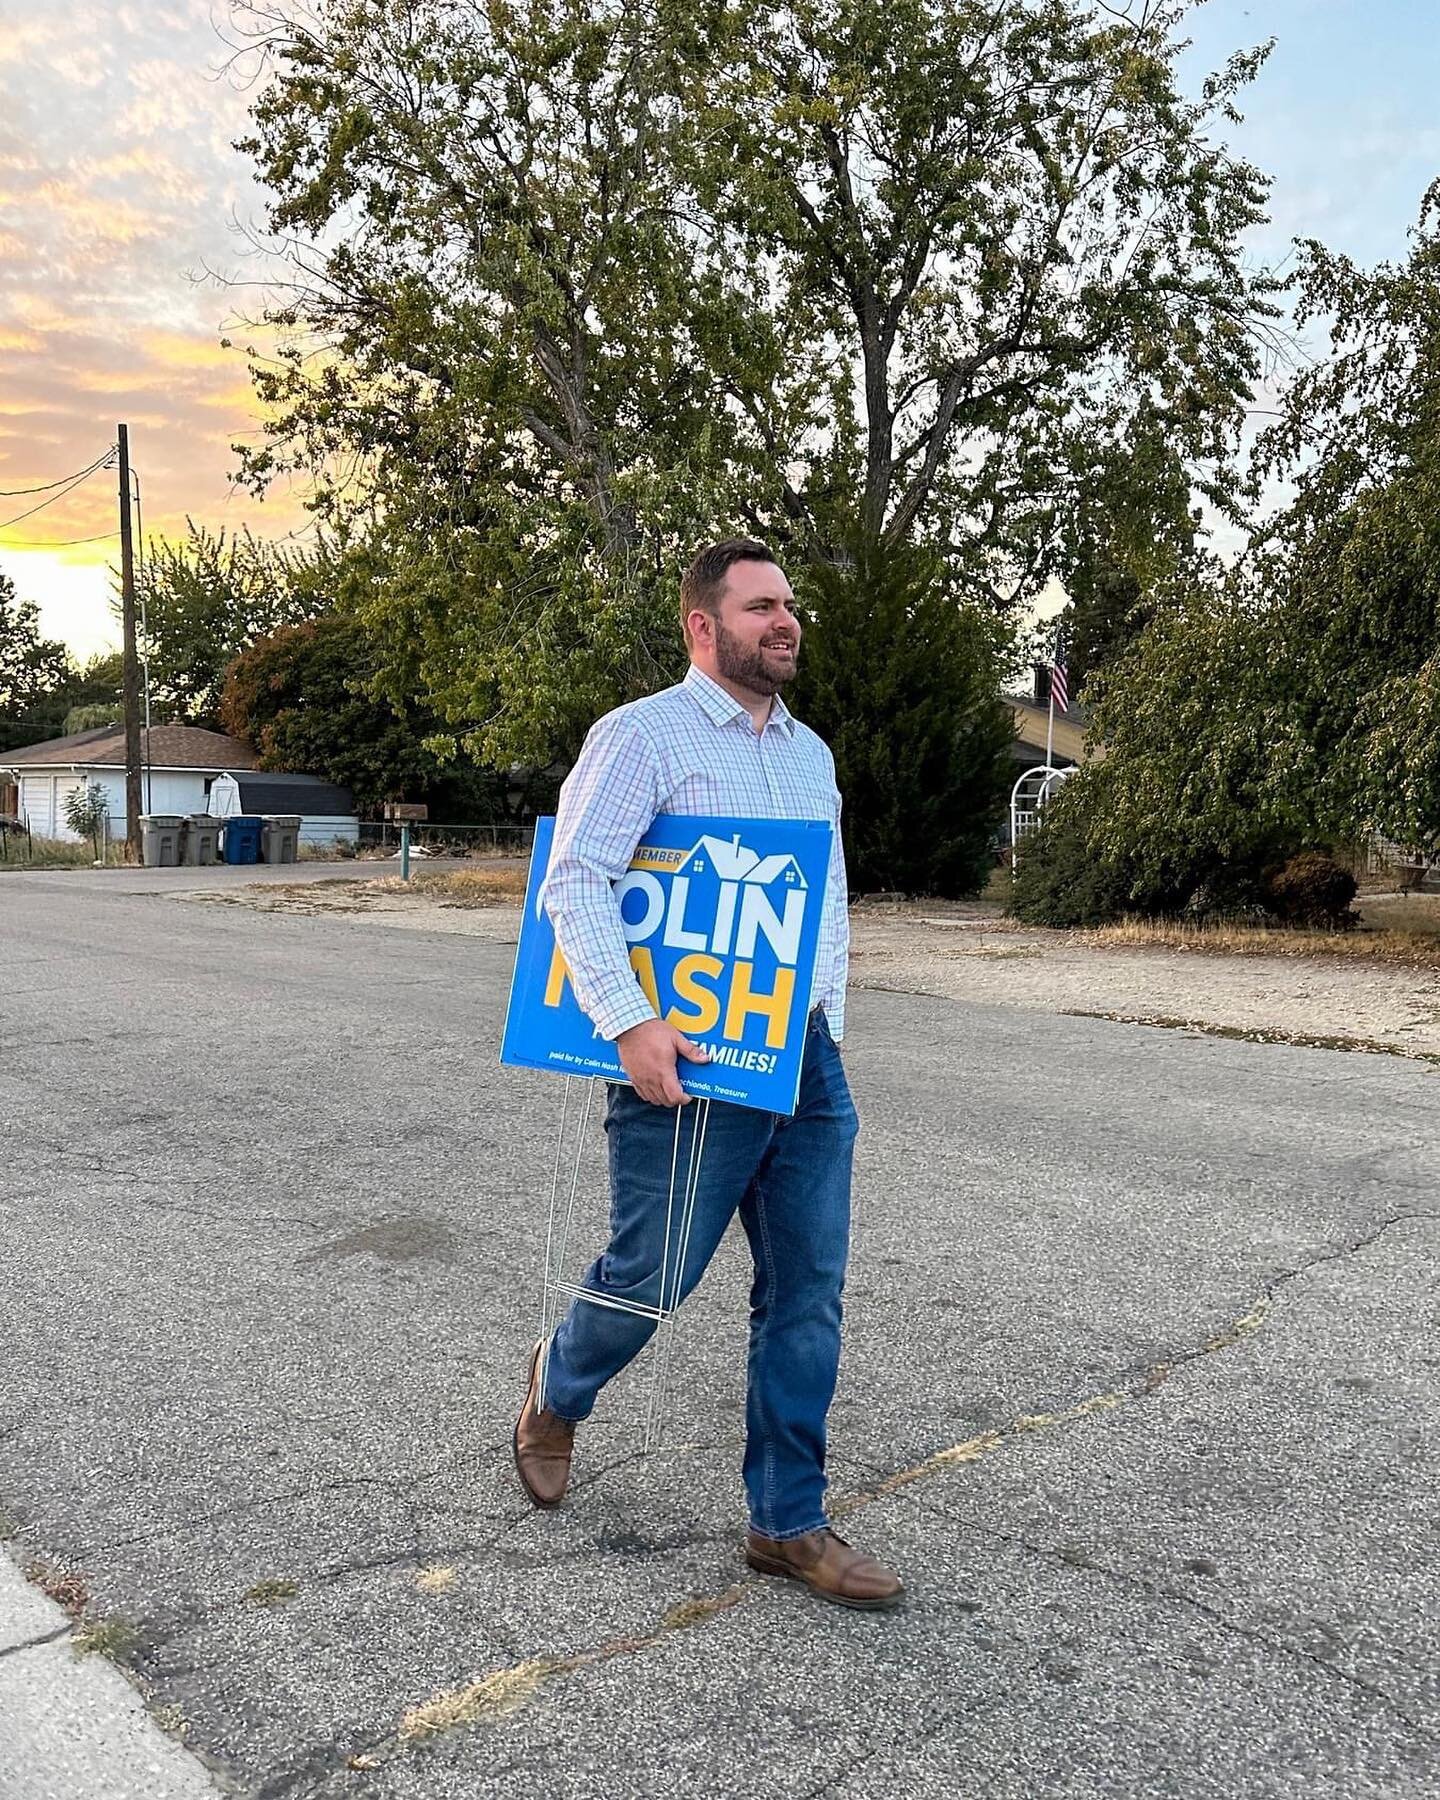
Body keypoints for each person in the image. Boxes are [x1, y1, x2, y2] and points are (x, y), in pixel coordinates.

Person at [513, 538, 902, 1610]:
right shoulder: (639, 737)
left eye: (789, 607)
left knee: (806, 1294)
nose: (785, 622)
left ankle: (786, 1524)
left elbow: (819, 903)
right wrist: (631, 1023)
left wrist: (828, 1025)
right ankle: (559, 1385)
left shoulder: (811, 754)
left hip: (805, 1063)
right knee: (653, 1282)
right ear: (703, 626)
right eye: (761, 607)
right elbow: (577, 882)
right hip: (686, 1062)